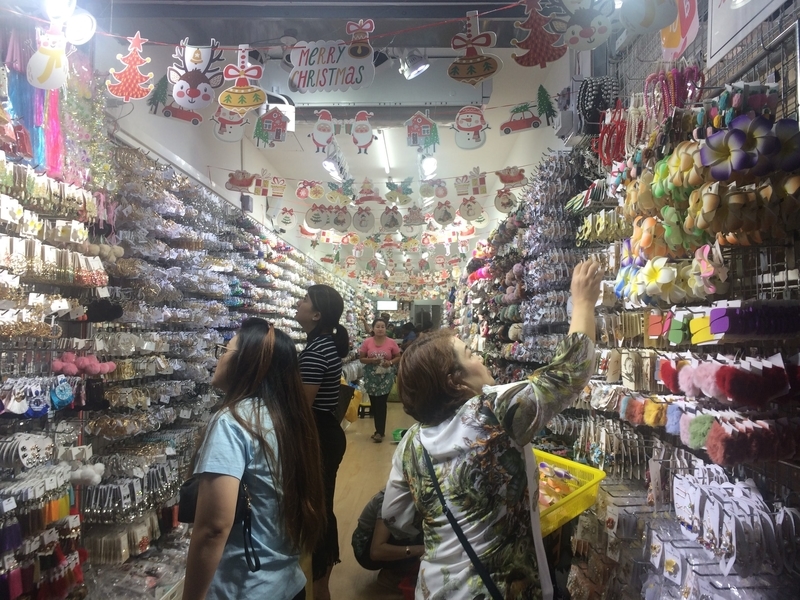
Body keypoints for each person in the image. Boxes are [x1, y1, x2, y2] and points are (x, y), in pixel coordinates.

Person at [382, 260, 602, 599]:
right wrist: (583, 300)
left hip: (434, 588)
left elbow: (394, 517)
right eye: (470, 354)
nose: (481, 359)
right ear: (455, 381)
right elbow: (571, 371)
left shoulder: (411, 443)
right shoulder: (492, 411)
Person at [183, 318, 325, 600]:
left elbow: (213, 528)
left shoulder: (232, 422)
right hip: (288, 583)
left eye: (225, 350)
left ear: (245, 362)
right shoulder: (289, 418)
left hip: (244, 588)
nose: (219, 358)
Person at [295, 285, 351, 600]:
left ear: (316, 315)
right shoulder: (322, 345)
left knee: (319, 510)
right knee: (320, 507)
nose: (298, 302)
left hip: (318, 437)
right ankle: (319, 582)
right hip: (324, 433)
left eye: (305, 300)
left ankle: (321, 586)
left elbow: (303, 407)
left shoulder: (317, 351)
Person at [351, 489, 424, 571]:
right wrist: (420, 550)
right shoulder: (390, 501)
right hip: (367, 548)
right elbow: (376, 551)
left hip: (397, 534)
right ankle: (393, 573)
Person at [359, 318, 401, 443]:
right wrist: (371, 360)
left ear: (386, 328)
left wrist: (390, 362)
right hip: (371, 376)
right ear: (373, 328)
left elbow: (398, 356)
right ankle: (378, 429)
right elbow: (361, 358)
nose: (380, 329)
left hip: (386, 376)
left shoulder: (391, 342)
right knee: (374, 402)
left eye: (383, 326)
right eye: (377, 326)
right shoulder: (367, 342)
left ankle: (379, 432)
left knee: (381, 402)